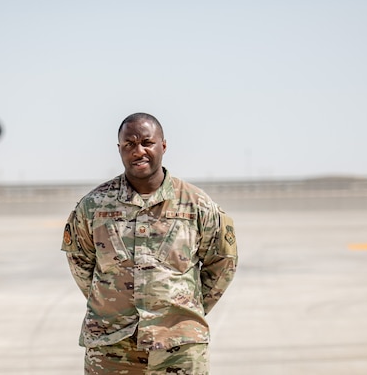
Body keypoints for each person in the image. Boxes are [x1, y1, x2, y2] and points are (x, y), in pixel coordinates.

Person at [61, 112, 238, 374]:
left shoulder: (197, 204)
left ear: (163, 145)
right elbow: (81, 262)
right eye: (129, 144)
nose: (138, 151)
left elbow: (222, 262)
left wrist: (185, 309)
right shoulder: (93, 206)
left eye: (147, 142)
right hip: (111, 346)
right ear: (119, 149)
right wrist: (113, 304)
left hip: (179, 347)